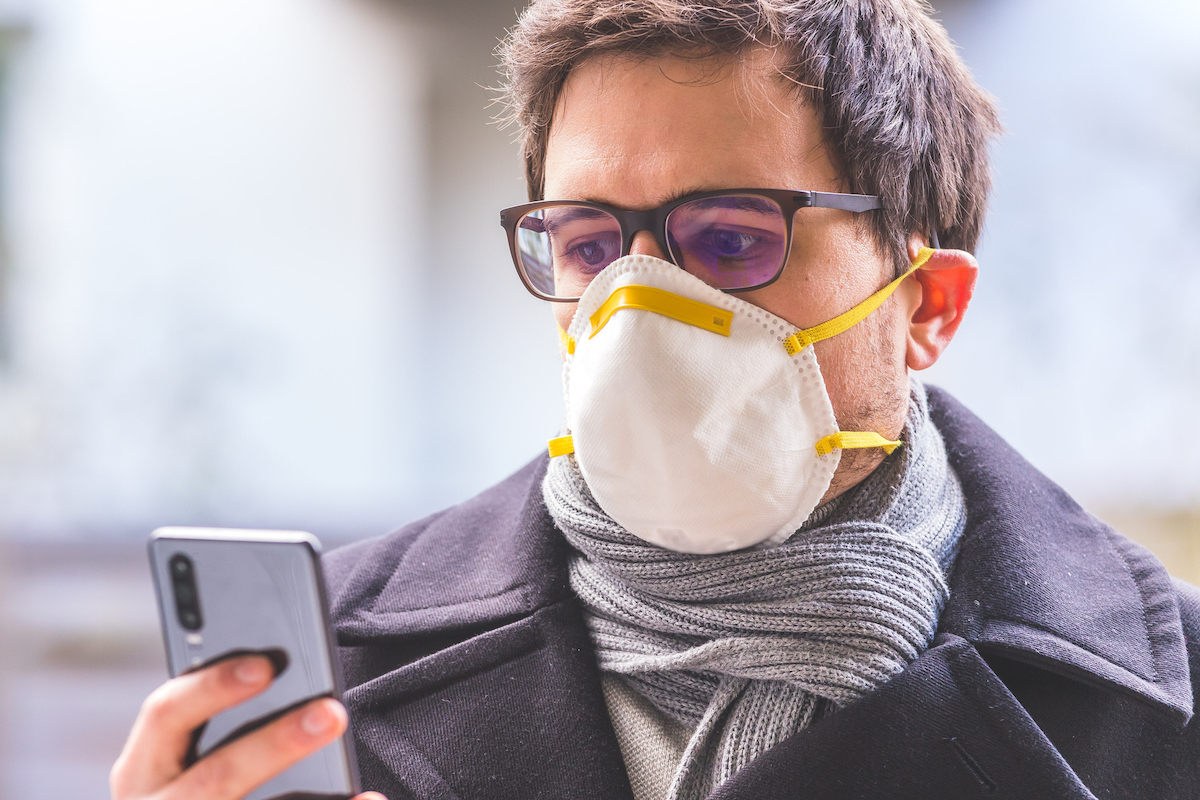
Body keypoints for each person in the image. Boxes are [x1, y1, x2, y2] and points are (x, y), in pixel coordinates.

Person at [111, 0, 1200, 798]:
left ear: (927, 307)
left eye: (731, 238)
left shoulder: (1166, 707)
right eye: (589, 244)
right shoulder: (334, 667)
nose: (639, 310)